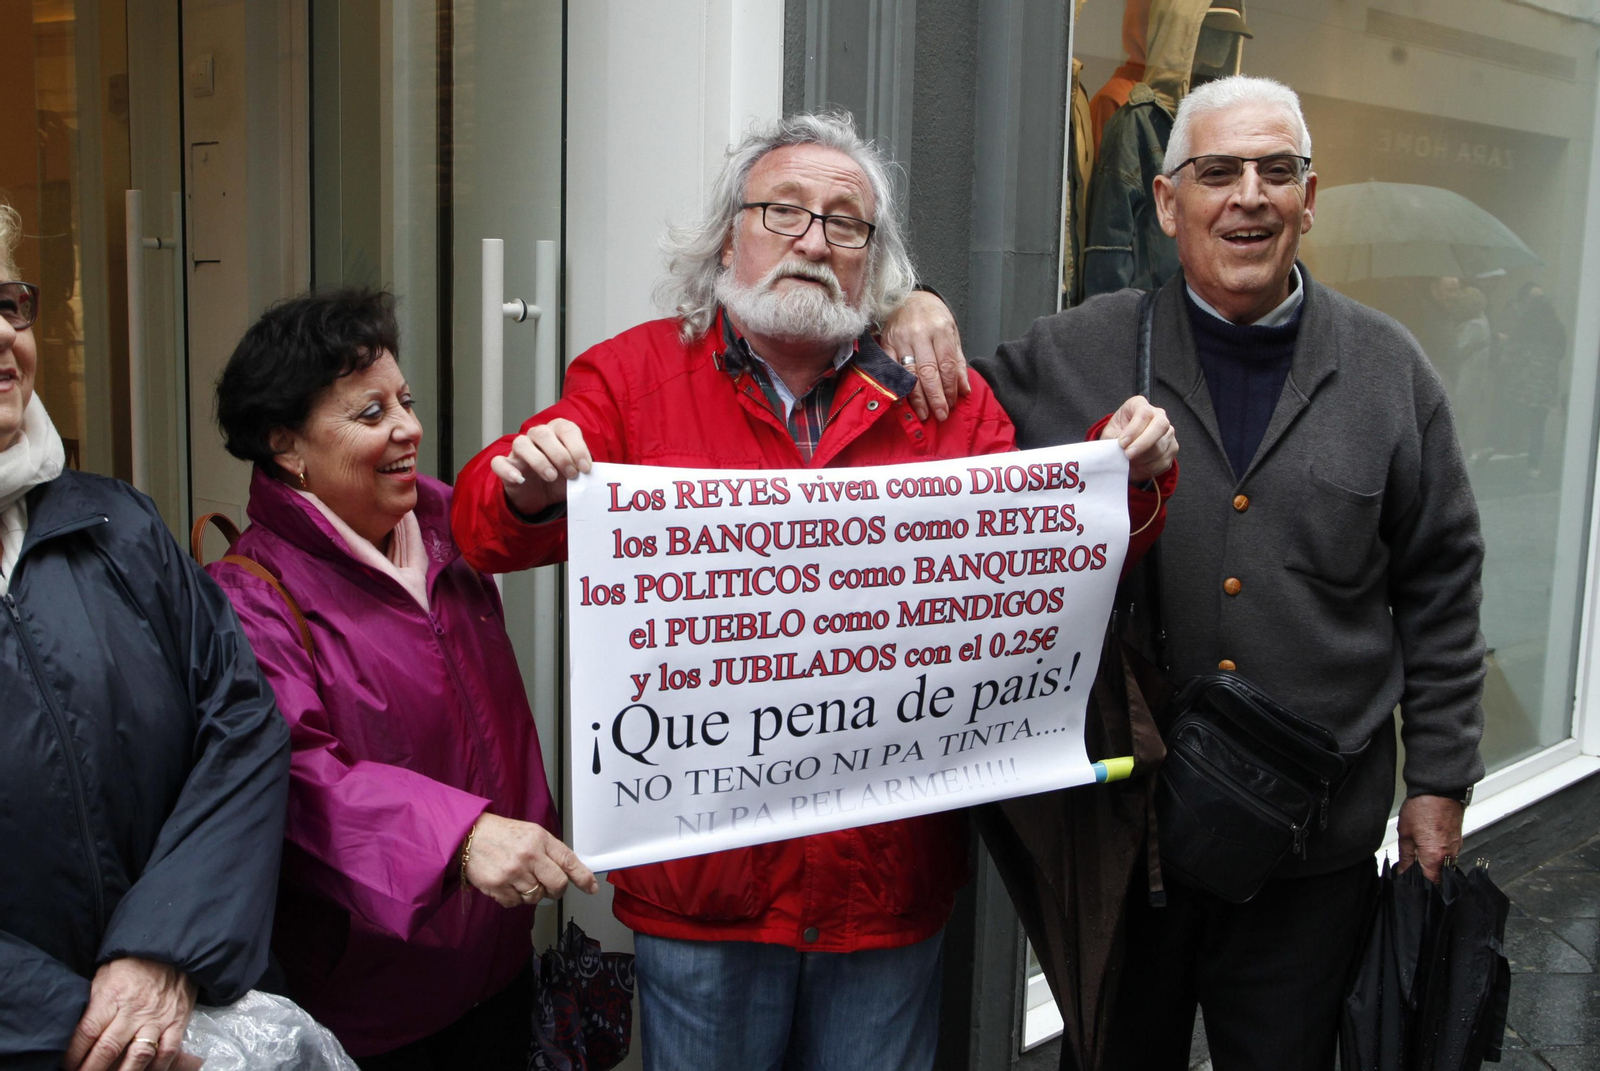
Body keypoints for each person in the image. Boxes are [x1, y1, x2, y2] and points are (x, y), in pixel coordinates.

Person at [450, 111, 1178, 1071]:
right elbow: (479, 527)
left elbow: (1040, 575)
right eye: (782, 210)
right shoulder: (633, 376)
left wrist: (1127, 479)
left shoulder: (940, 401)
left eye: (845, 223)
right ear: (727, 237)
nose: (812, 239)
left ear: (873, 267)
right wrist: (527, 477)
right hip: (703, 896)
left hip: (883, 893)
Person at [962, 75, 1486, 1068]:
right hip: (1131, 835)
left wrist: (1441, 779)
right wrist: (917, 312)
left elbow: (1440, 584)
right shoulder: (1077, 349)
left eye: (1275, 170)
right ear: (1167, 203)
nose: (1247, 194)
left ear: (1308, 197)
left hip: (1312, 844)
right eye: (1216, 171)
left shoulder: (1389, 371)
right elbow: (942, 426)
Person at [208, 289, 595, 1068]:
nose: (409, 429)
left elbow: (529, 515)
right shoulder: (250, 595)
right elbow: (302, 779)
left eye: (406, 402)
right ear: (287, 446)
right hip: (378, 1006)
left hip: (501, 961)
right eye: (370, 412)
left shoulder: (451, 529)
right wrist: (461, 839)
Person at [0, 200, 291, 1071]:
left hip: (179, 1009)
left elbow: (240, 723)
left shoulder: (113, 521)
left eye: (10, 304)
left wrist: (162, 951)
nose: (4, 335)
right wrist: (98, 1032)